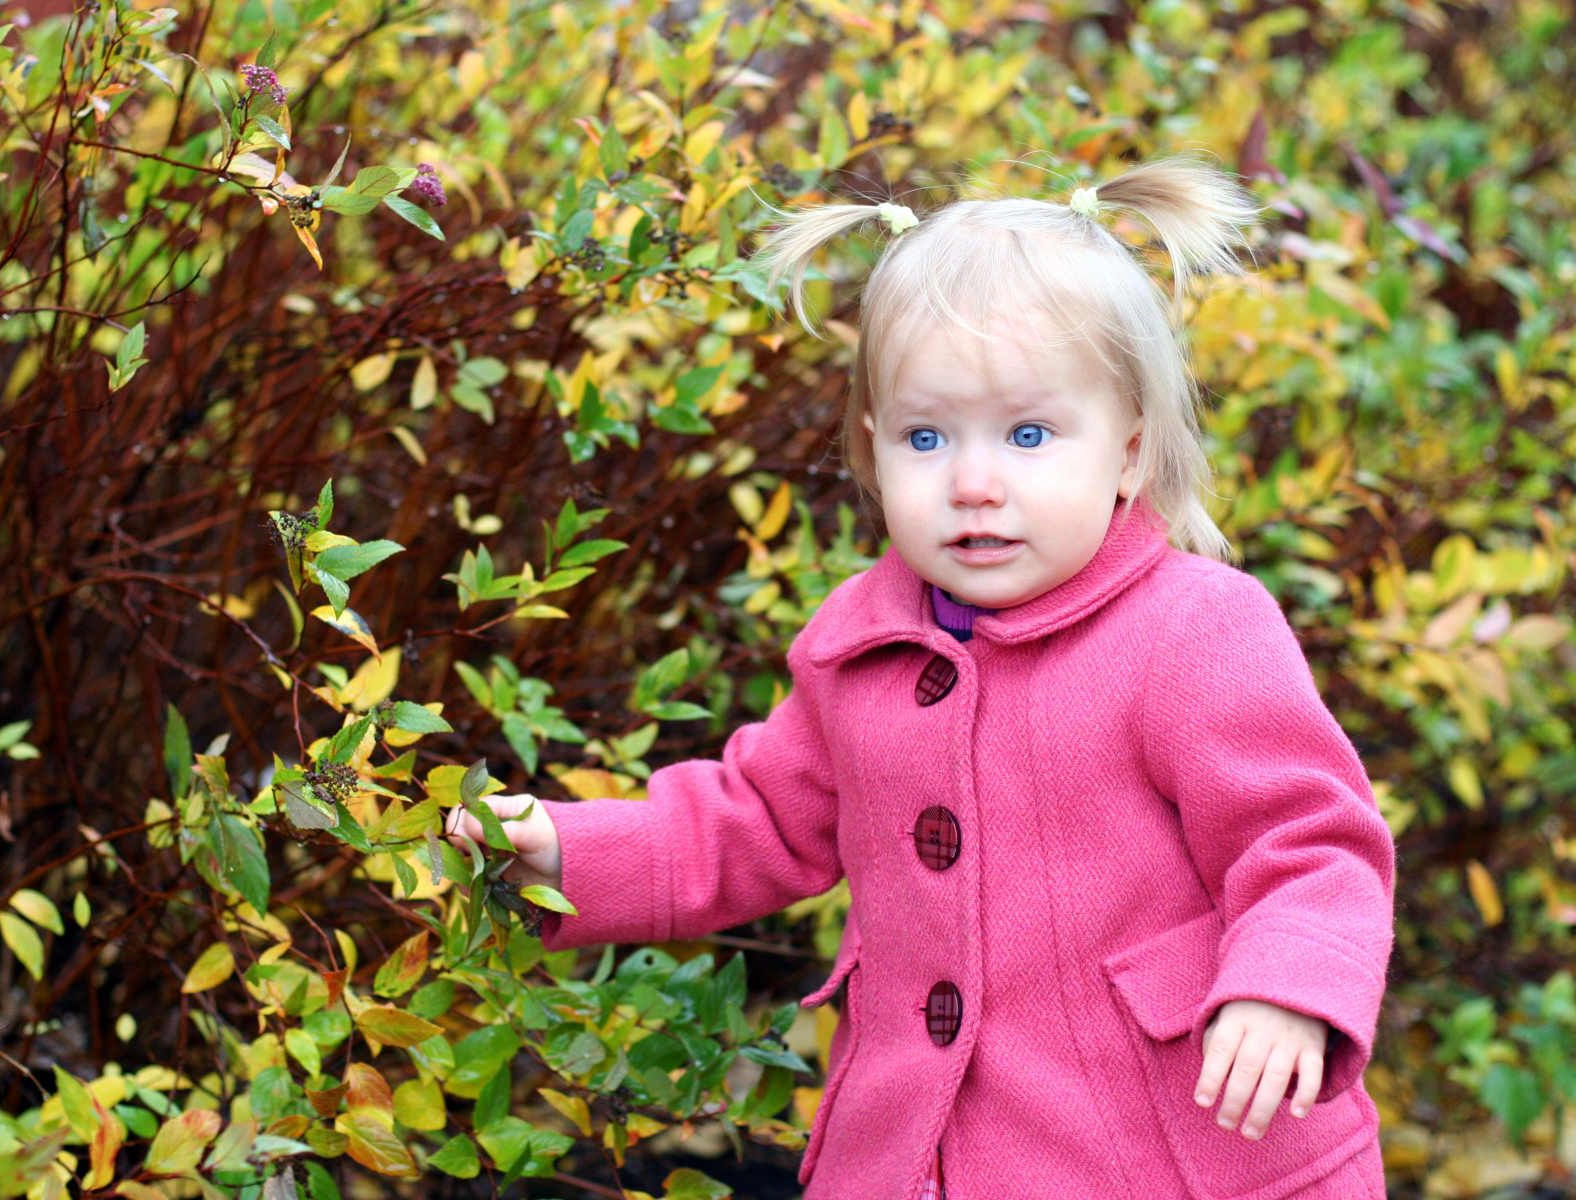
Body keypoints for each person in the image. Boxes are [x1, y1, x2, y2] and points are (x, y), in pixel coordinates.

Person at [446, 156, 1396, 1200]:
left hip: (1168, 1154)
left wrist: (1286, 987)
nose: (973, 482)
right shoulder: (858, 643)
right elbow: (755, 821)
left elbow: (1307, 841)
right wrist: (564, 850)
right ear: (872, 450)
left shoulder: (1193, 631)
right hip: (917, 1157)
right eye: (925, 436)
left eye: (1030, 435)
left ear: (1127, 455)